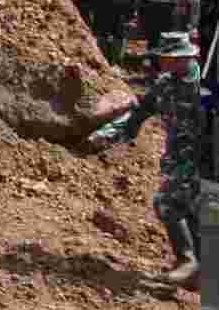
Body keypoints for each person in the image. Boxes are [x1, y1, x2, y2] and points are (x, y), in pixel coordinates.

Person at [86, 32, 205, 288]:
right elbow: (139, 113)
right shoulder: (165, 84)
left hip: (204, 160)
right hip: (179, 160)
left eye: (169, 58)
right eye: (162, 58)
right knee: (188, 210)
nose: (163, 62)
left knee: (168, 203)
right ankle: (195, 271)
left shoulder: (204, 85)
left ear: (186, 58)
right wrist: (107, 135)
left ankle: (188, 262)